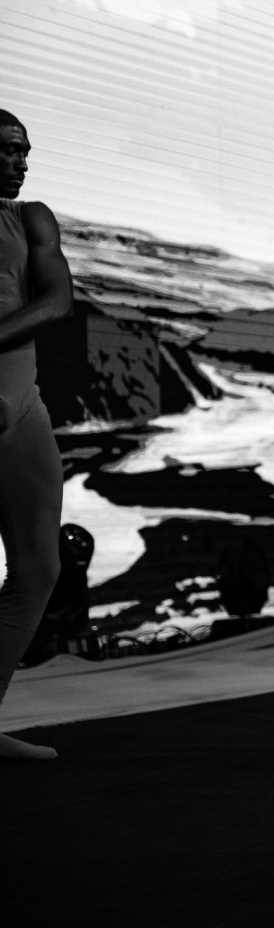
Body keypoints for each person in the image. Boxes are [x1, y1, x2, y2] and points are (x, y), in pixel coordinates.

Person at [0, 108, 75, 760]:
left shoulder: (31, 218)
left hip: (21, 408)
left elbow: (57, 300)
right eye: (5, 150)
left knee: (39, 566)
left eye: (24, 150)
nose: (19, 162)